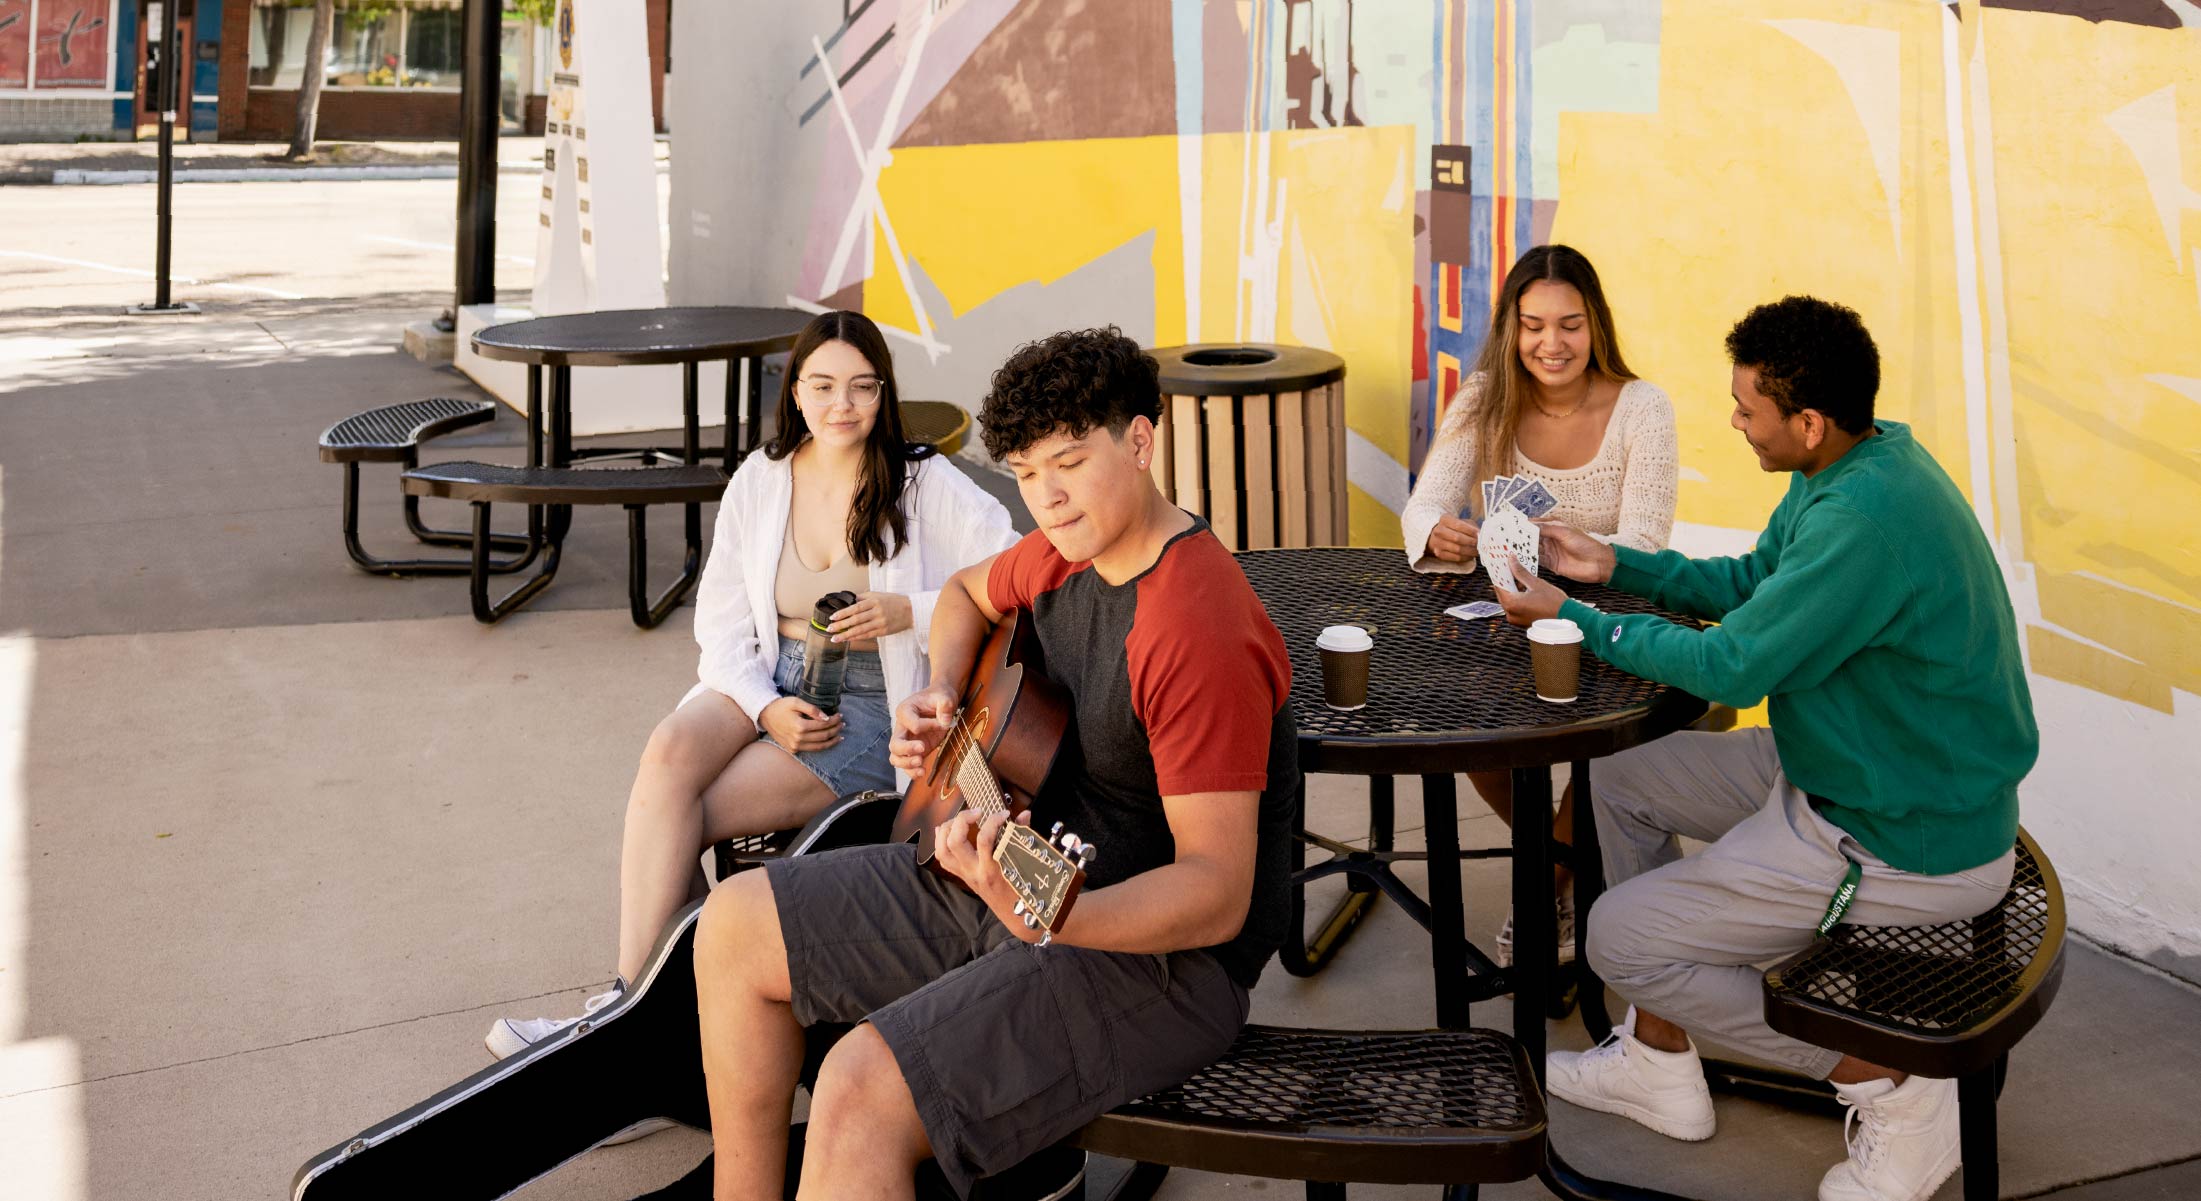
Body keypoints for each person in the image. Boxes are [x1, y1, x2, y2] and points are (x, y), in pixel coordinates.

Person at [681, 327, 1300, 1199]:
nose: (1047, 497)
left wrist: (1049, 914)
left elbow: (1215, 891)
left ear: (1138, 440)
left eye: (1070, 462)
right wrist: (939, 694)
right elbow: (969, 595)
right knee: (735, 921)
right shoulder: (1065, 551)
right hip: (1025, 867)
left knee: (858, 1094)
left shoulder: (1194, 628)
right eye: (1024, 472)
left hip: (1163, 963)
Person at [1494, 296, 2037, 1201]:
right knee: (1620, 777)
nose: (1736, 421)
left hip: (1901, 836)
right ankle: (1658, 1054)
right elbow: (1755, 583)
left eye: (1748, 408)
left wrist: (1572, 617)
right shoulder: (1857, 462)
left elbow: (1731, 665)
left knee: (1614, 937)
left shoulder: (1861, 520)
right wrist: (1614, 566)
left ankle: (1895, 1090)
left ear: (1809, 422)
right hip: (1849, 767)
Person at [484, 310, 1018, 1069]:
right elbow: (722, 627)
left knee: (688, 810)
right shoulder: (762, 478)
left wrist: (911, 610)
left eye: (863, 388)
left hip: (864, 701)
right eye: (824, 386)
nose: (843, 405)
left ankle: (635, 1024)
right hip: (766, 678)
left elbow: (1016, 571)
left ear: (883, 394)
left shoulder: (923, 478)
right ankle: (639, 1012)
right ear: (795, 392)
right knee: (670, 751)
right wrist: (765, 705)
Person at [1399, 244, 1679, 969]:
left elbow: (1645, 542)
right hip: (1513, 620)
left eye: (1568, 325)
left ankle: (1544, 885)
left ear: (1596, 327)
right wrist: (1432, 527)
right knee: (1474, 739)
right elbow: (1426, 500)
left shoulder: (1640, 408)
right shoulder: (1484, 396)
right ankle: (1559, 865)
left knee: (1597, 762)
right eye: (1531, 325)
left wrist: (1563, 555)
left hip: (1612, 622)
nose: (1549, 344)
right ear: (1510, 329)